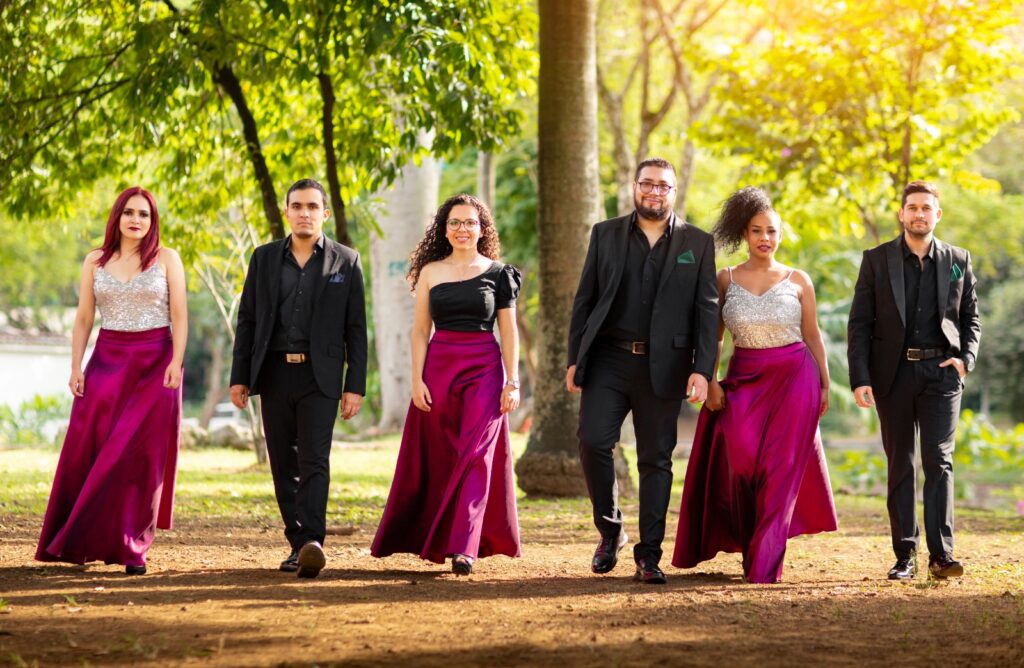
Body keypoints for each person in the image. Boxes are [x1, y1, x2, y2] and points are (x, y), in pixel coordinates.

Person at [672, 187, 838, 584]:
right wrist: (711, 380)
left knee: (781, 471)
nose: (765, 238)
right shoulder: (725, 278)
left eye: (772, 231)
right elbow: (713, 338)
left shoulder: (799, 280)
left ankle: (764, 566)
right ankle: (751, 544)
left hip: (796, 378)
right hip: (744, 377)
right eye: (757, 230)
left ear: (781, 235)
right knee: (743, 462)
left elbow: (812, 335)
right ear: (744, 234)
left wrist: (825, 384)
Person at [566, 158, 718, 584]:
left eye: (663, 186)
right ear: (635, 187)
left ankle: (649, 555)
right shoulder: (605, 234)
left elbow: (707, 312)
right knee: (593, 441)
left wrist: (702, 370)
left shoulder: (698, 243)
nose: (654, 192)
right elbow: (585, 300)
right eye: (647, 184)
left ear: (674, 192)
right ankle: (610, 530)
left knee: (656, 460)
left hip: (666, 366)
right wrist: (575, 358)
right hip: (608, 360)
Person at [36, 186, 187, 576]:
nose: (136, 220)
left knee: (141, 458)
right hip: (106, 362)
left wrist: (177, 361)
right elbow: (84, 317)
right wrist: (76, 366)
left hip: (157, 365)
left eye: (145, 214)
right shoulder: (94, 261)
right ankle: (80, 536)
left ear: (153, 221)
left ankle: (134, 546)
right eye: (129, 212)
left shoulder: (167, 258)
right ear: (117, 217)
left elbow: (179, 315)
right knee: (93, 448)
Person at [371, 194, 522, 576]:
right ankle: (438, 536)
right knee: (443, 455)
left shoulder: (499, 273)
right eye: (454, 222)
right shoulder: (430, 272)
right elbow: (420, 330)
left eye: (470, 222)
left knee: (476, 455)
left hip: (485, 369)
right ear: (444, 229)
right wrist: (416, 379)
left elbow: (508, 331)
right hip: (439, 369)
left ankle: (465, 547)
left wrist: (512, 380)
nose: (462, 229)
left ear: (482, 229)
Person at [229, 178, 367, 579]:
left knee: (314, 460)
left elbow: (356, 329)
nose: (304, 213)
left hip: (320, 377)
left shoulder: (347, 261)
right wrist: (240, 376)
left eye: (312, 206)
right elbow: (248, 319)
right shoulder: (264, 258)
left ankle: (312, 541)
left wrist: (354, 385)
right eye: (297, 206)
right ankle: (297, 542)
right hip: (273, 372)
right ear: (286, 212)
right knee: (282, 463)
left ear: (324, 213)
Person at [848, 180, 980, 580]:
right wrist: (860, 377)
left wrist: (965, 360)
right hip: (893, 375)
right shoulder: (876, 260)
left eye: (926, 208)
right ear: (901, 214)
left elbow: (971, 317)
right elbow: (860, 323)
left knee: (939, 460)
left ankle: (942, 556)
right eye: (912, 207)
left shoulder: (958, 259)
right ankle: (905, 555)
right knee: (900, 463)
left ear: (937, 214)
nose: (919, 214)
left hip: (942, 374)